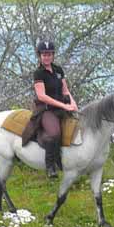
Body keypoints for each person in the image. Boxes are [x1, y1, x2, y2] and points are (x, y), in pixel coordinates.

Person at [25, 40, 76, 179]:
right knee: (54, 133)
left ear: (53, 55)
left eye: (49, 54)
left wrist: (72, 103)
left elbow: (65, 90)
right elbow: (42, 96)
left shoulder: (59, 70)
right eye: (44, 54)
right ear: (39, 56)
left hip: (61, 106)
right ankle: (50, 166)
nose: (46, 57)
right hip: (46, 109)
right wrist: (64, 105)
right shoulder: (39, 73)